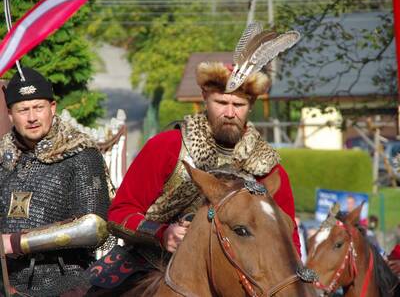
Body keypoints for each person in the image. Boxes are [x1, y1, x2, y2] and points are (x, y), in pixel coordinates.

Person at [90, 28, 303, 292]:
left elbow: (288, 237)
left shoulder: (268, 167)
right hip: (148, 264)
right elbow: (120, 213)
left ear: (251, 105)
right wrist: (161, 233)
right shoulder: (166, 146)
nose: (229, 113)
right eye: (221, 102)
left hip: (239, 280)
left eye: (238, 105)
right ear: (204, 98)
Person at [0, 67, 112, 296]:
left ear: (52, 108)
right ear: (10, 114)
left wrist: (16, 242)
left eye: (38, 107)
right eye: (23, 110)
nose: (31, 117)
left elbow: (93, 228)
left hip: (65, 284)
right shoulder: (3, 158)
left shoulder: (81, 155)